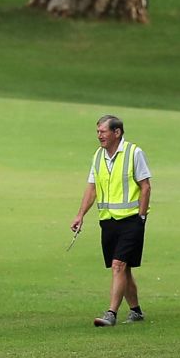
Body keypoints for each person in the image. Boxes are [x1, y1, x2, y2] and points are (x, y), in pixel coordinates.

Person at [70, 115, 151, 328]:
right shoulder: (98, 156)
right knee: (124, 269)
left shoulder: (134, 153)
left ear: (117, 133)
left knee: (118, 265)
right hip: (108, 221)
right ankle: (136, 311)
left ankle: (111, 314)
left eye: (103, 131)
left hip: (131, 219)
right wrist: (80, 215)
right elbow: (92, 187)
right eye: (97, 132)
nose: (99, 136)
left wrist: (141, 217)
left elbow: (146, 186)